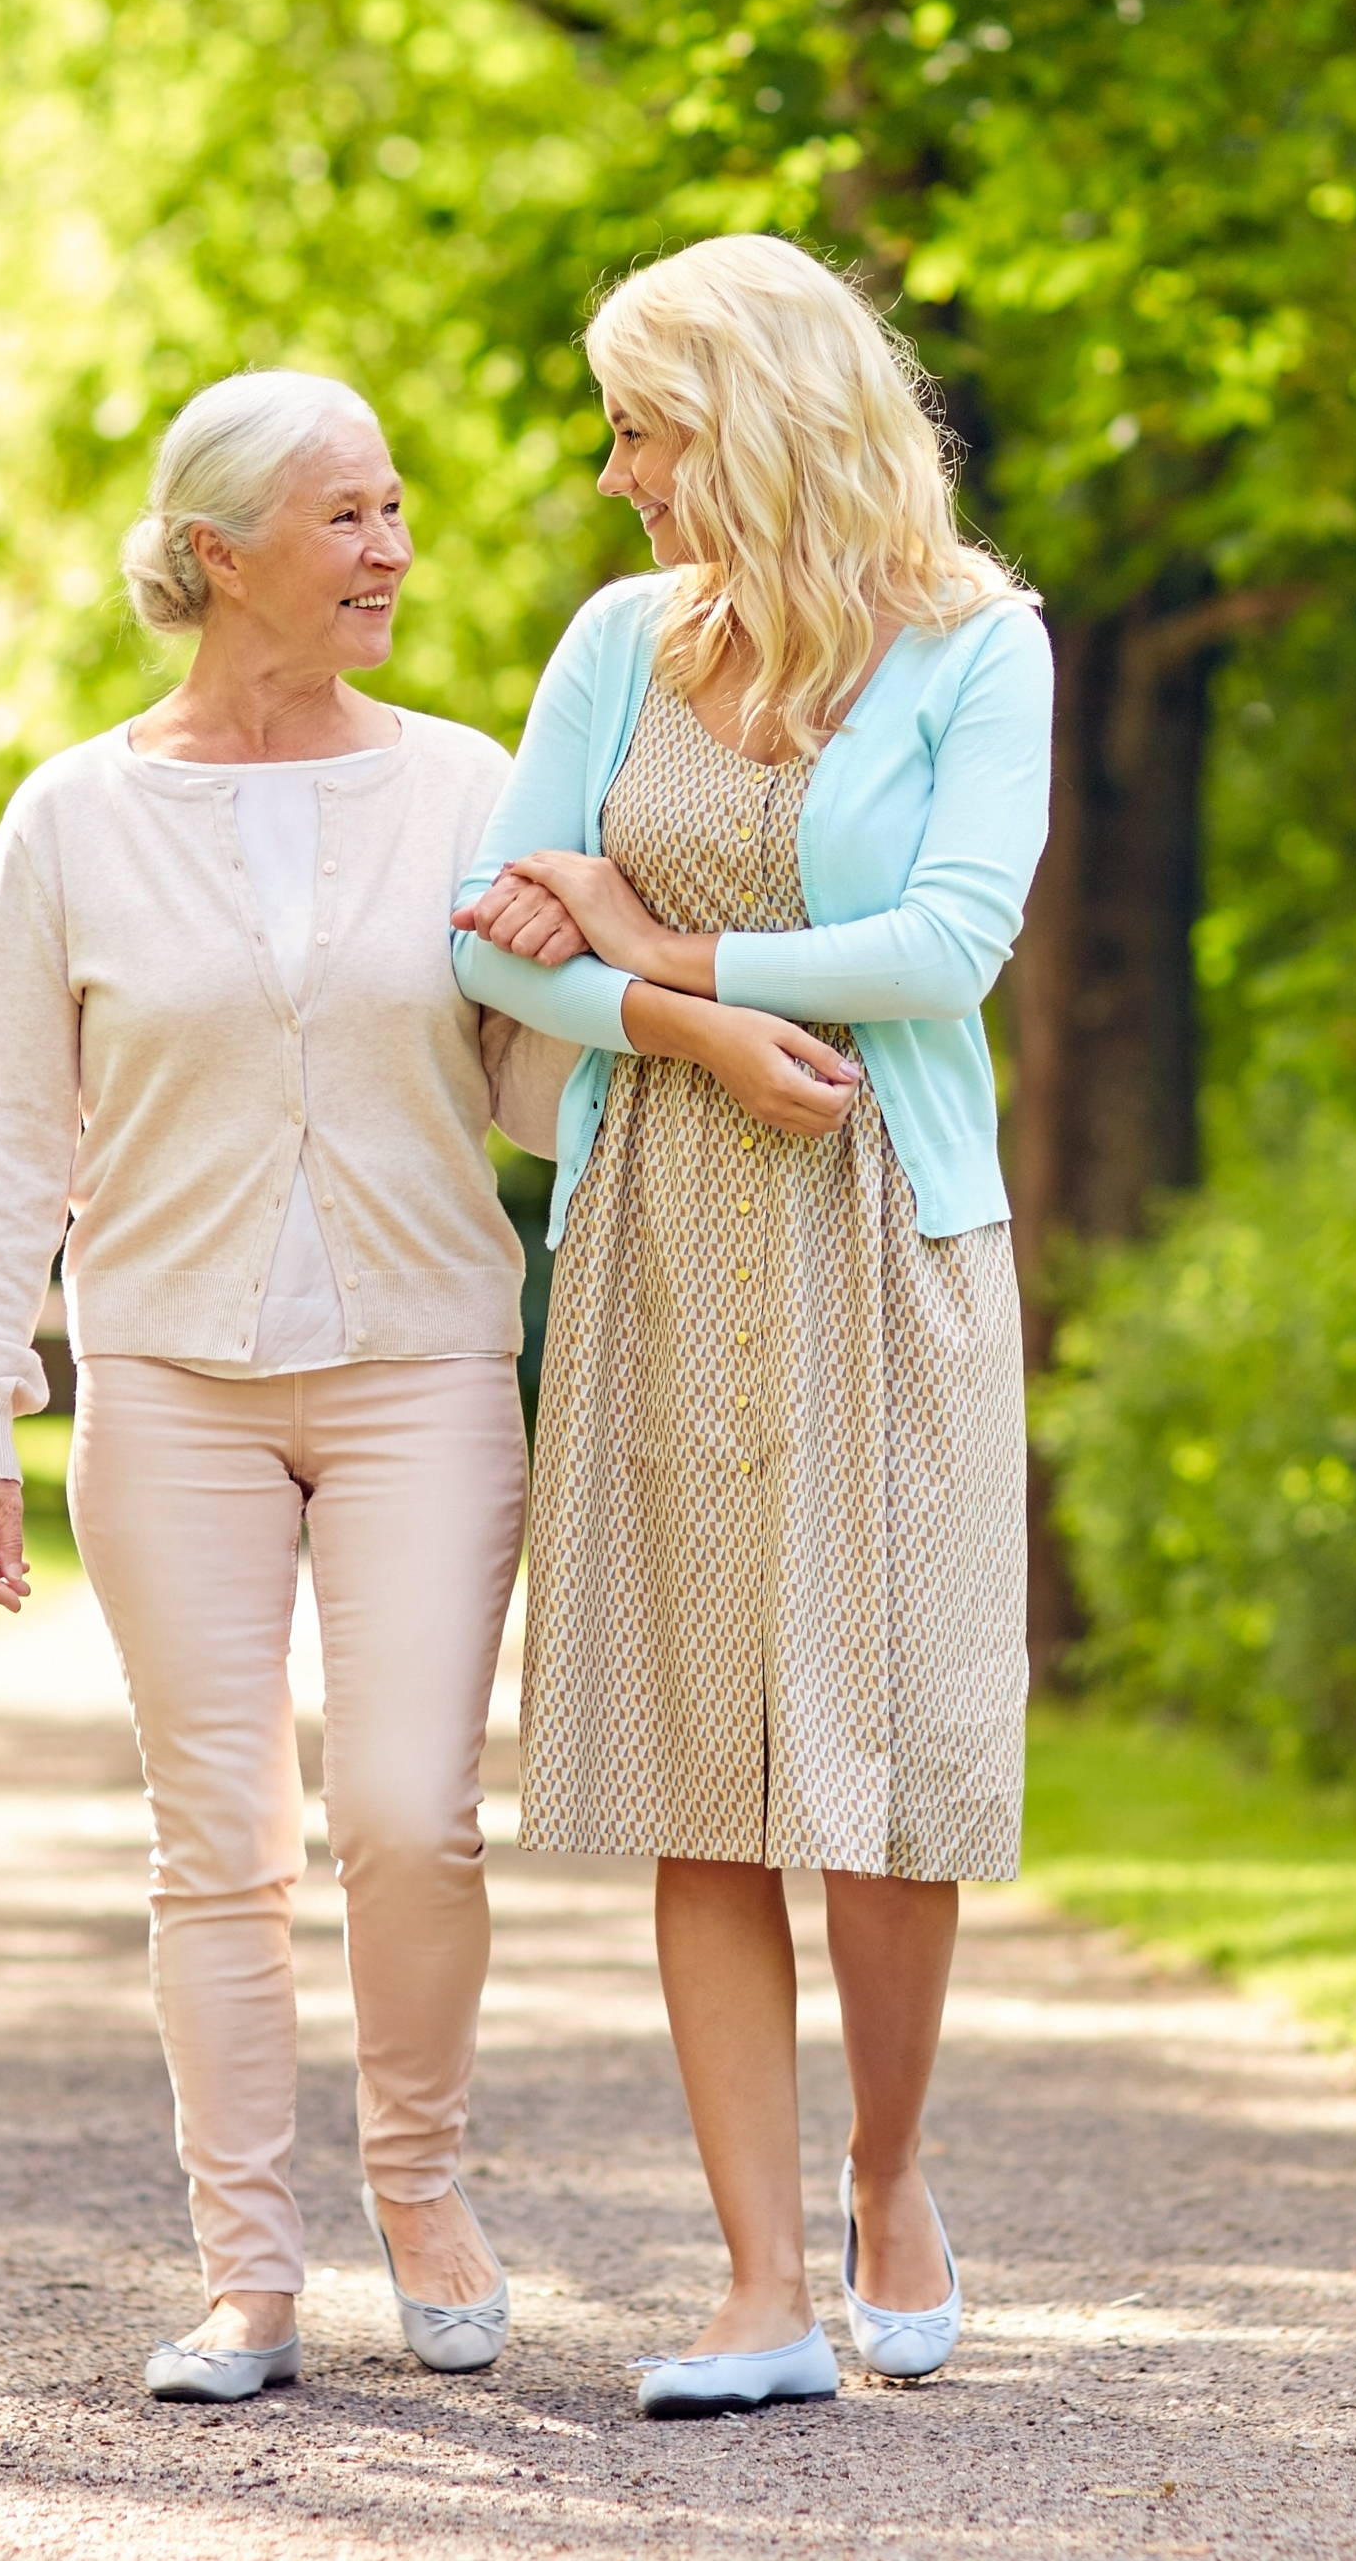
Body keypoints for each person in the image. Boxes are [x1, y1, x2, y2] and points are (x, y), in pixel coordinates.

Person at [451, 234, 1052, 2419]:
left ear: (762, 419)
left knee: (882, 1764)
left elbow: (946, 949)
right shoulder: (621, 642)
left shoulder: (983, 648)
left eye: (644, 426)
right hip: (663, 1235)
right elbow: (492, 933)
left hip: (894, 1234)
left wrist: (657, 946)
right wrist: (661, 1024)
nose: (613, 474)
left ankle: (896, 2191)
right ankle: (759, 2289)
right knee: (707, 1769)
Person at [0, 370, 568, 2403]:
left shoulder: (470, 785)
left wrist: (601, 945)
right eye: (349, 517)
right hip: (171, 1381)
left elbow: (539, 1105)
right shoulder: (76, 814)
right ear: (218, 554)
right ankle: (248, 2276)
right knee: (217, 1841)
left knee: (407, 1813)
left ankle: (425, 2188)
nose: (393, 552)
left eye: (396, 510)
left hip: (423, 1359)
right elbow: (12, 1132)